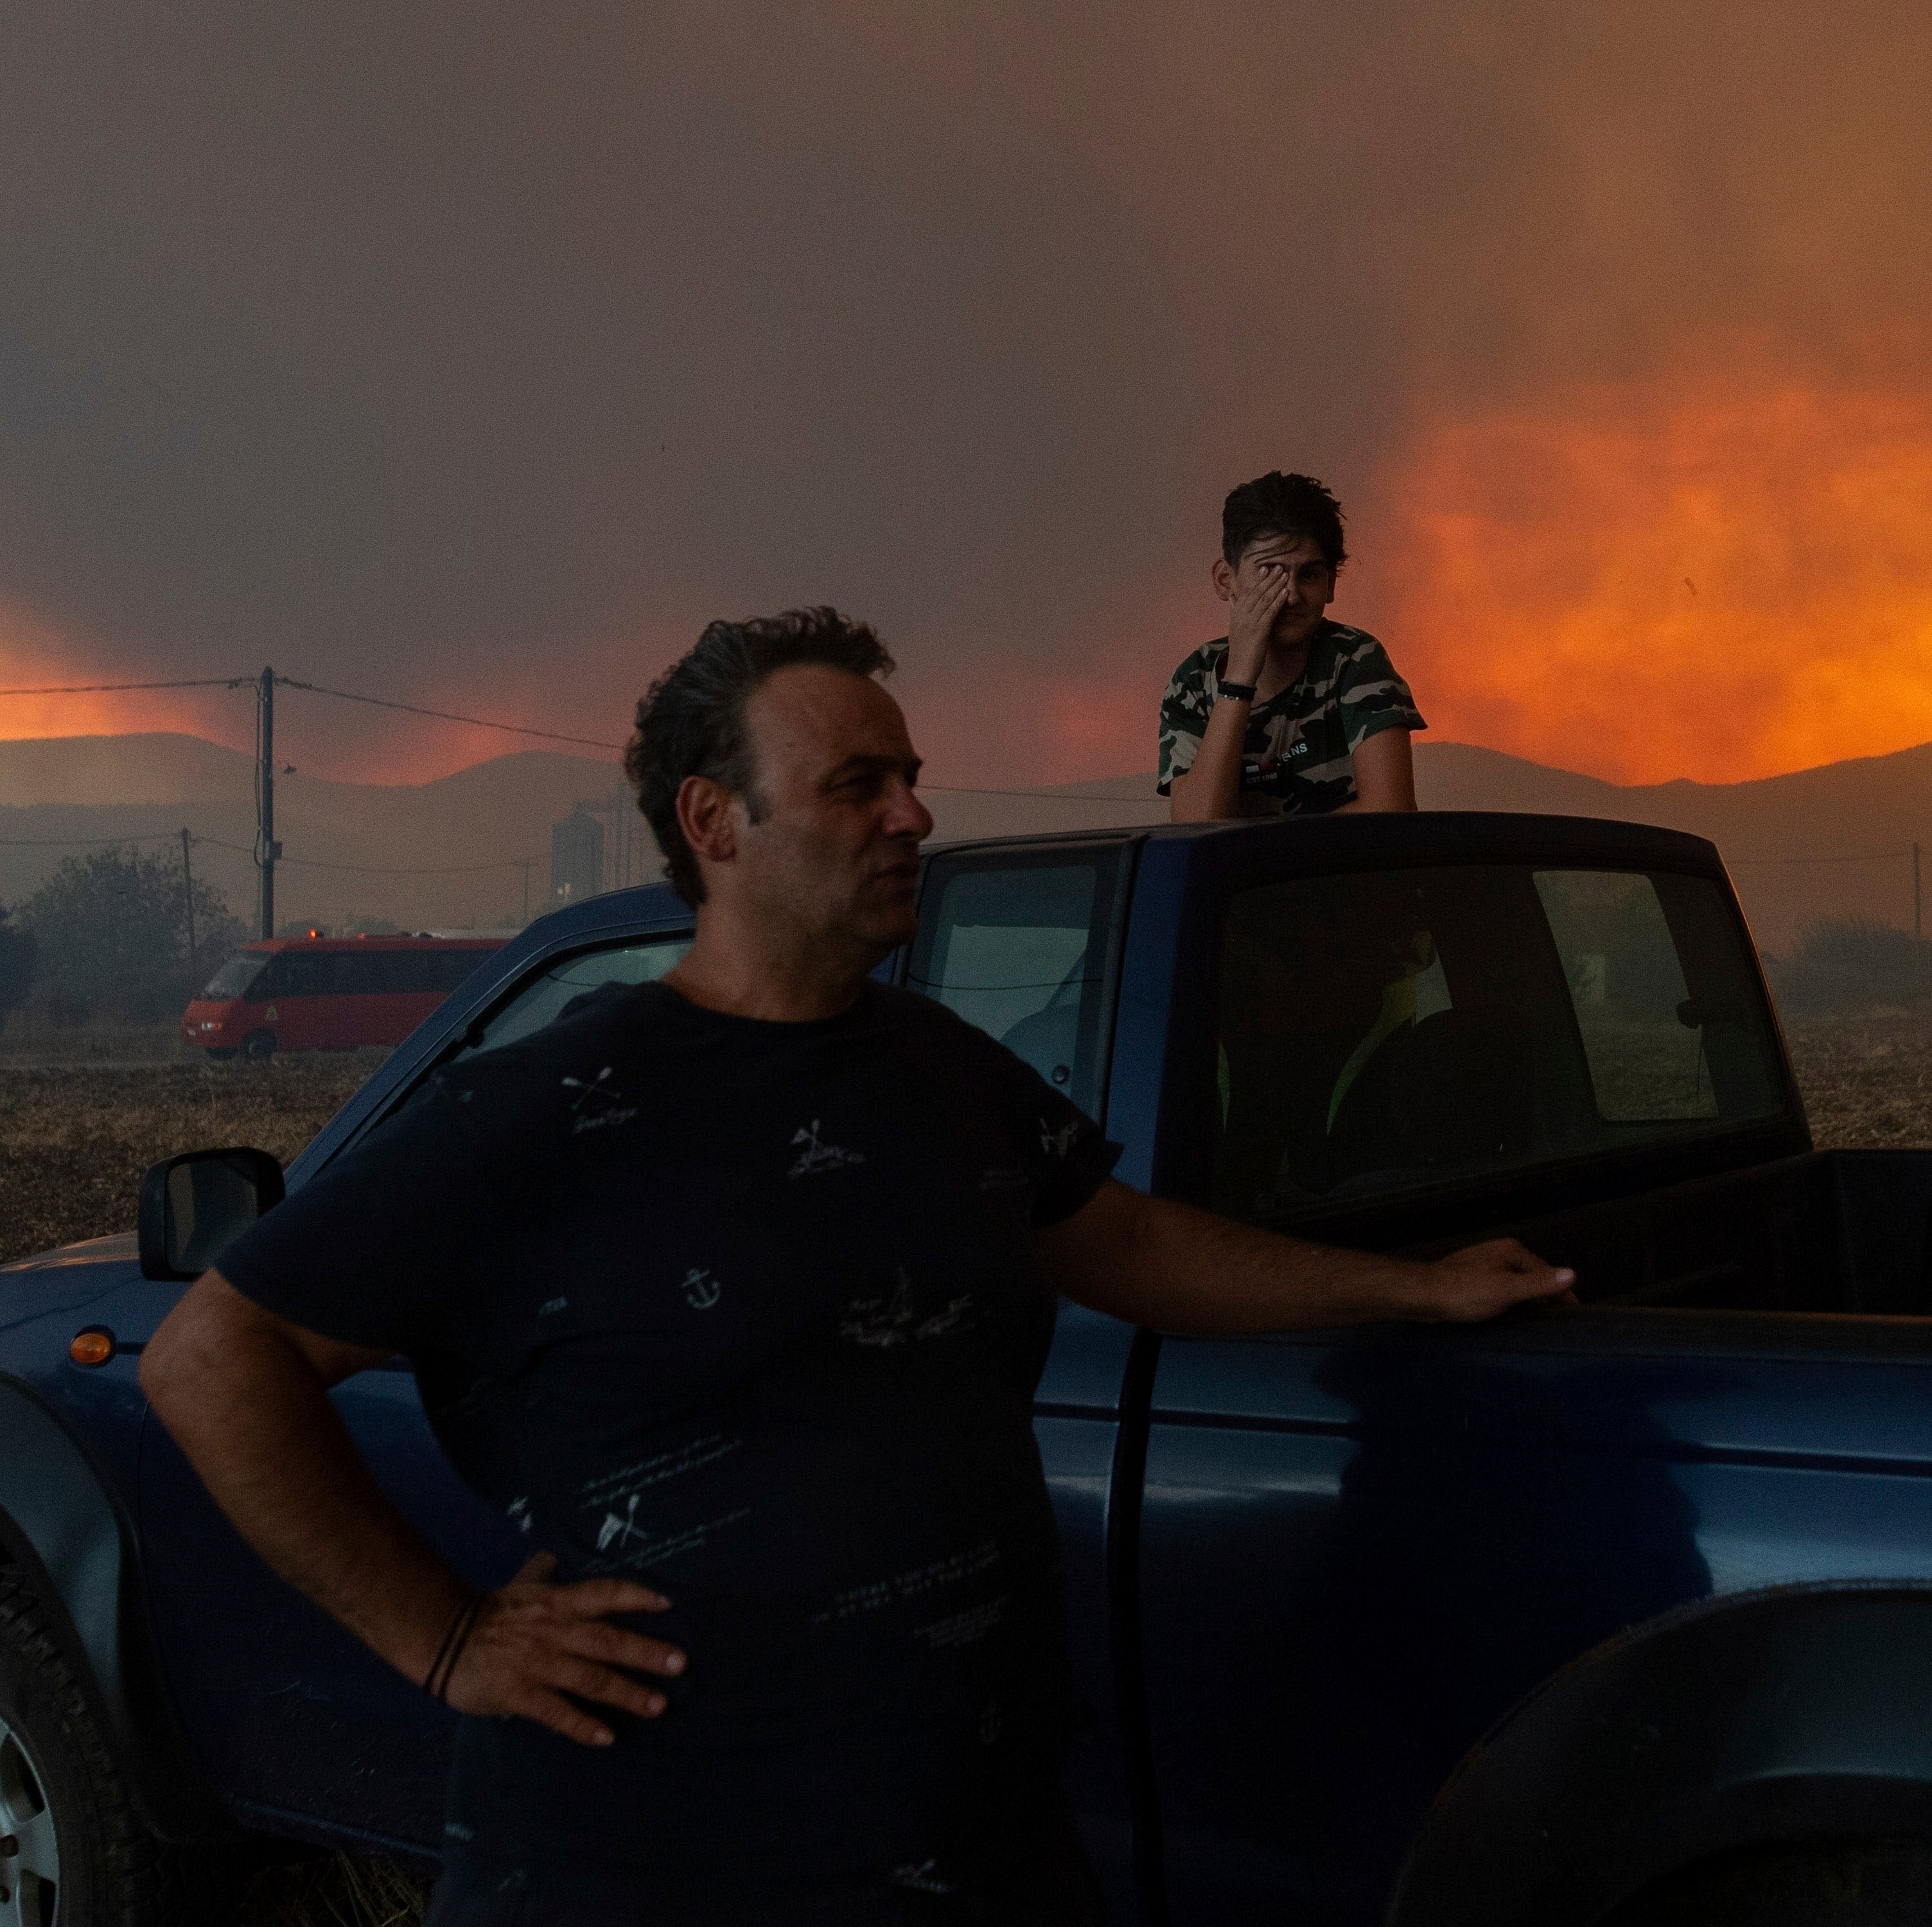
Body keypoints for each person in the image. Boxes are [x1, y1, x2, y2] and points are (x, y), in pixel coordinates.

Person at [139, 608, 1570, 1926]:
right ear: (716, 821)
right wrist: (447, 1642)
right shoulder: (545, 1107)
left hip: (976, 1839)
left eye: (911, 776)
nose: (913, 816)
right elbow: (214, 1357)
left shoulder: (938, 1071)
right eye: (857, 786)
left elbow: (1128, 1244)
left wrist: (1415, 1289)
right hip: (657, 1866)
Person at [1160, 470, 1423, 820]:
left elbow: (1392, 813)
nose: (1292, 596)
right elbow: (1194, 827)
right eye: (1270, 572)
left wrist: (1257, 848)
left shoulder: (1355, 661)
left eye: (1309, 575)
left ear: (1330, 585)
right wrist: (1239, 677)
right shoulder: (1194, 681)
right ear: (1227, 581)